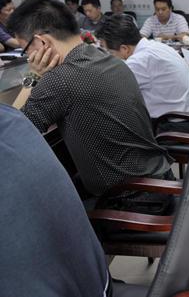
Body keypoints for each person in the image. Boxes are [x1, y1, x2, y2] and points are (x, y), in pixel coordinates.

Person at [8, 0, 174, 208]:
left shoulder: (61, 78)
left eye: (26, 50)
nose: (28, 57)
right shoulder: (109, 59)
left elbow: (11, 133)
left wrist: (32, 75)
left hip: (130, 201)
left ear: (42, 43)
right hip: (159, 183)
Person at [0, 104, 109, 297]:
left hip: (114, 190)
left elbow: (34, 114)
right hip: (99, 284)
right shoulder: (14, 119)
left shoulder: (55, 86)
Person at [97, 14, 189, 120]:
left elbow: (110, 93)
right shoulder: (156, 45)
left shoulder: (138, 61)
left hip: (175, 124)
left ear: (124, 49)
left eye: (111, 52)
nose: (110, 56)